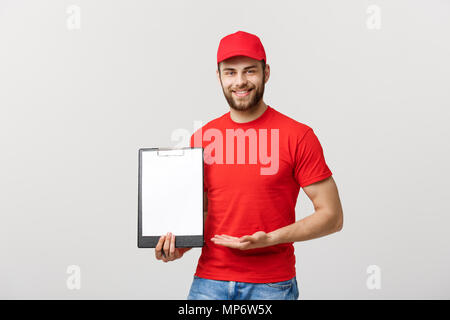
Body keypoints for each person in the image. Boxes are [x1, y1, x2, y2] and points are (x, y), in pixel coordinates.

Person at [154, 30, 344, 300]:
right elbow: (204, 210)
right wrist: (178, 247)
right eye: (230, 72)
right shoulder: (202, 139)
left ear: (266, 73)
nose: (240, 81)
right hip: (209, 282)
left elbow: (332, 217)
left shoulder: (298, 136)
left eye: (250, 71)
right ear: (218, 76)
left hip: (271, 286)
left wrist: (270, 238)